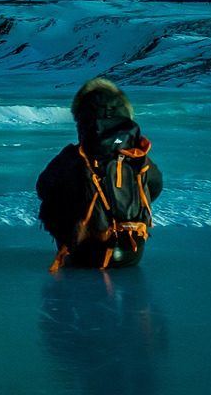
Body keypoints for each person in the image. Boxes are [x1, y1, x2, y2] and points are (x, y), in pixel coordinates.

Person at [36, 77, 162, 271]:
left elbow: (43, 188)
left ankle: (73, 244)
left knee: (53, 196)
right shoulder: (138, 156)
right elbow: (156, 186)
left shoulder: (71, 158)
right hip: (132, 254)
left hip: (86, 256)